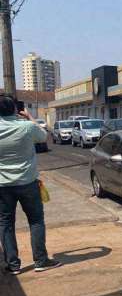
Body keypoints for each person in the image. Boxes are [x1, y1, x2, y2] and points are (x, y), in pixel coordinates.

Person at [0, 93, 61, 275]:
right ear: (15, 109)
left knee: (6, 223)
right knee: (35, 221)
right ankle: (41, 260)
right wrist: (30, 118)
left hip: (3, 185)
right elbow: (43, 136)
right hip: (27, 182)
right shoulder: (26, 126)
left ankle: (13, 265)